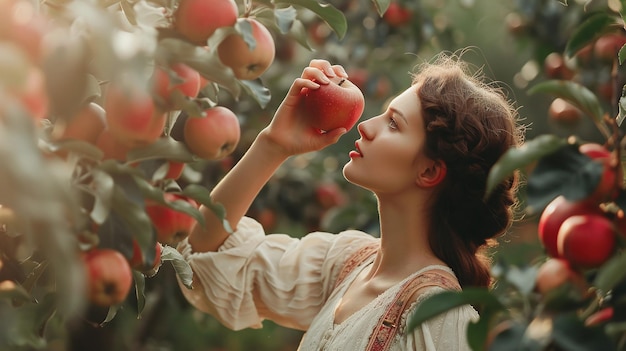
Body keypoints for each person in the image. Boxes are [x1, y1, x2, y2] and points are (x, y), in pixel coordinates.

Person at [176, 52, 524, 350]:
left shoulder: (437, 315)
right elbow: (209, 257)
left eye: (393, 123)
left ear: (430, 170)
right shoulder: (345, 265)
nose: (365, 126)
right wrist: (273, 145)